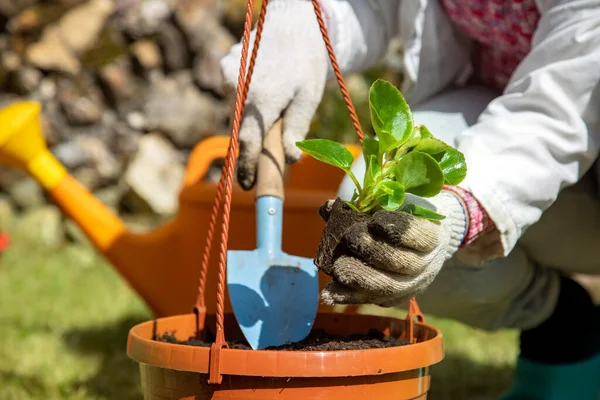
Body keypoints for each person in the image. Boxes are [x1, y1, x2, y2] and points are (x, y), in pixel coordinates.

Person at [220, 1, 600, 398]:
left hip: (571, 128)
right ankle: (565, 323)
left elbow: (561, 107)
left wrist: (457, 213)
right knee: (377, 212)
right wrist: (307, 28)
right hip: (503, 114)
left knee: (408, 230)